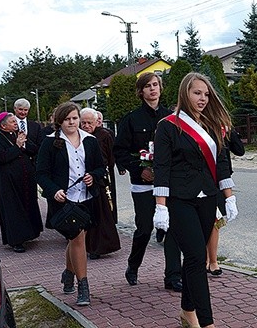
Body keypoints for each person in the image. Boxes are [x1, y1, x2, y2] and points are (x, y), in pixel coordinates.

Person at [152, 72, 238, 328]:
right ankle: (207, 321)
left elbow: (222, 163)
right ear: (184, 93)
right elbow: (162, 167)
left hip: (207, 197)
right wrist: (160, 206)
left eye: (206, 94)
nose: (202, 98)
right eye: (197, 93)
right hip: (180, 199)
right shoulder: (167, 126)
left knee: (196, 257)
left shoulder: (212, 125)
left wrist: (229, 197)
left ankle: (187, 311)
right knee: (195, 258)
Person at [113, 72, 182, 291]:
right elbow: (119, 150)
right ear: (141, 91)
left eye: (156, 85)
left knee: (173, 228)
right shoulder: (131, 119)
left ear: (161, 88)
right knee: (144, 228)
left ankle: (172, 277)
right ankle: (133, 266)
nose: (153, 89)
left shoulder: (172, 117)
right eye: (148, 86)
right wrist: (138, 170)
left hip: (168, 183)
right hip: (143, 184)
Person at [36, 102, 105, 307]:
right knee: (77, 239)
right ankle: (83, 286)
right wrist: (53, 190)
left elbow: (100, 168)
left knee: (77, 239)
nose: (72, 122)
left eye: (75, 118)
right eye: (67, 119)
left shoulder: (90, 141)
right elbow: (41, 173)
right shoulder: (50, 143)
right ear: (60, 122)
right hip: (63, 200)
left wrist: (93, 176)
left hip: (86, 198)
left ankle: (68, 273)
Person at [0, 112, 44, 252]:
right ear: (3, 125)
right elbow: (1, 157)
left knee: (28, 204)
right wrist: (17, 146)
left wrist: (23, 144)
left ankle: (30, 233)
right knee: (13, 209)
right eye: (13, 122)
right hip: (8, 182)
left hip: (25, 179)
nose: (16, 124)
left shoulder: (18, 135)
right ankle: (16, 241)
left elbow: (34, 150)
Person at [80, 108, 120, 259]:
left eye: (89, 123)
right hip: (81, 179)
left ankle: (98, 247)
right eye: (83, 122)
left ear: (96, 122)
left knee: (101, 214)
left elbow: (110, 157)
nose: (86, 126)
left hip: (100, 178)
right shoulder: (79, 136)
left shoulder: (104, 135)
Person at [206, 127, 244, 276]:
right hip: (198, 178)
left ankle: (213, 260)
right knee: (203, 221)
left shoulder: (220, 128)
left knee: (216, 221)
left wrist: (229, 131)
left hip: (220, 179)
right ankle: (204, 260)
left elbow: (240, 151)